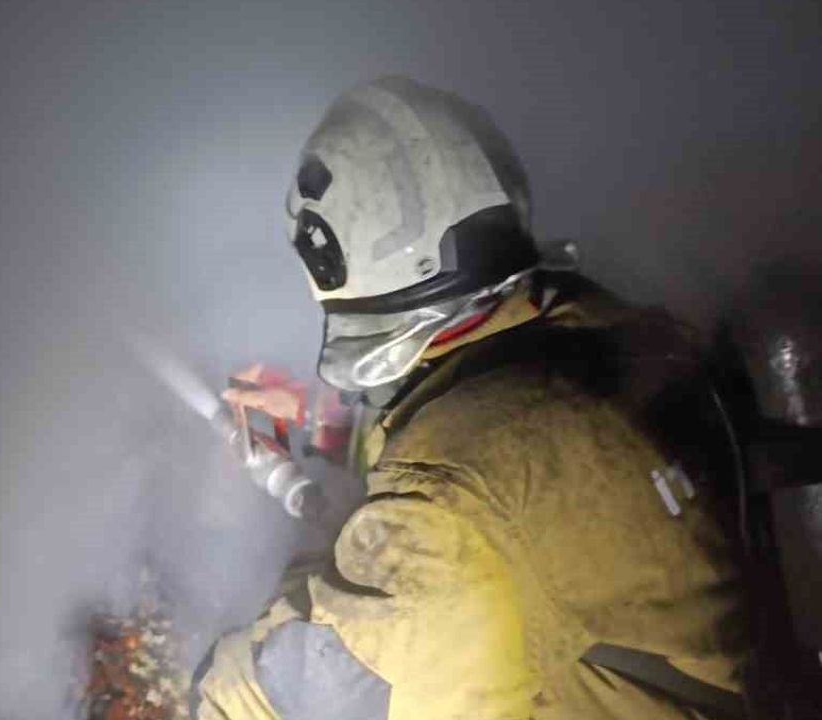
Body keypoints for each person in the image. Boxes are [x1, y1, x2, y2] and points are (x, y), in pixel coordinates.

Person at [191, 76, 749, 720]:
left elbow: (318, 694)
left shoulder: (445, 506)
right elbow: (509, 453)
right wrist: (325, 424)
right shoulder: (596, 331)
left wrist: (207, 688)